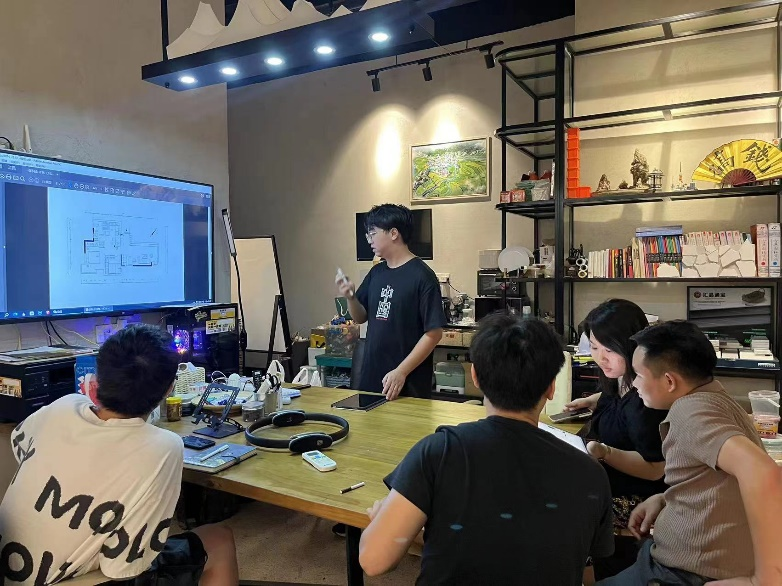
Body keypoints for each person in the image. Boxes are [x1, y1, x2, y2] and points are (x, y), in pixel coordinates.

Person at [359, 314, 614, 585]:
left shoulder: (437, 452)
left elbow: (374, 561)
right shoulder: (591, 474)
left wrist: (381, 522)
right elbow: (582, 568)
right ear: (551, 387)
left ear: (475, 377)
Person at [0, 324, 239, 585]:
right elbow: (124, 566)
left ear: (96, 378)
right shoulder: (163, 446)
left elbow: (19, 446)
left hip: (8, 569)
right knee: (220, 539)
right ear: (169, 389)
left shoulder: (64, 406)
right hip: (71, 581)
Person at [598, 320, 782, 586]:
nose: (634, 384)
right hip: (682, 557)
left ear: (669, 381)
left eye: (638, 375)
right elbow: (717, 481)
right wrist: (665, 498)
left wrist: (765, 579)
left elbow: (764, 473)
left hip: (683, 572)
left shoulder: (690, 413)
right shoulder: (716, 398)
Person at [564, 299, 667, 580]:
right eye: (594, 347)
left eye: (610, 350)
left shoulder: (646, 400)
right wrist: (591, 400)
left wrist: (606, 452)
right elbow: (615, 396)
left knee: (564, 506)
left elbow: (656, 468)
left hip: (636, 497)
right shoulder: (619, 376)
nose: (601, 358)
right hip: (606, 479)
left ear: (633, 347)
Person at [336, 203, 446, 400]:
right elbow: (360, 317)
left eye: (373, 233)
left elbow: (434, 333)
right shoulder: (376, 272)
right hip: (372, 376)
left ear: (394, 233)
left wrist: (401, 372)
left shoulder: (423, 276)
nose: (369, 239)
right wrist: (350, 297)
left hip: (407, 382)